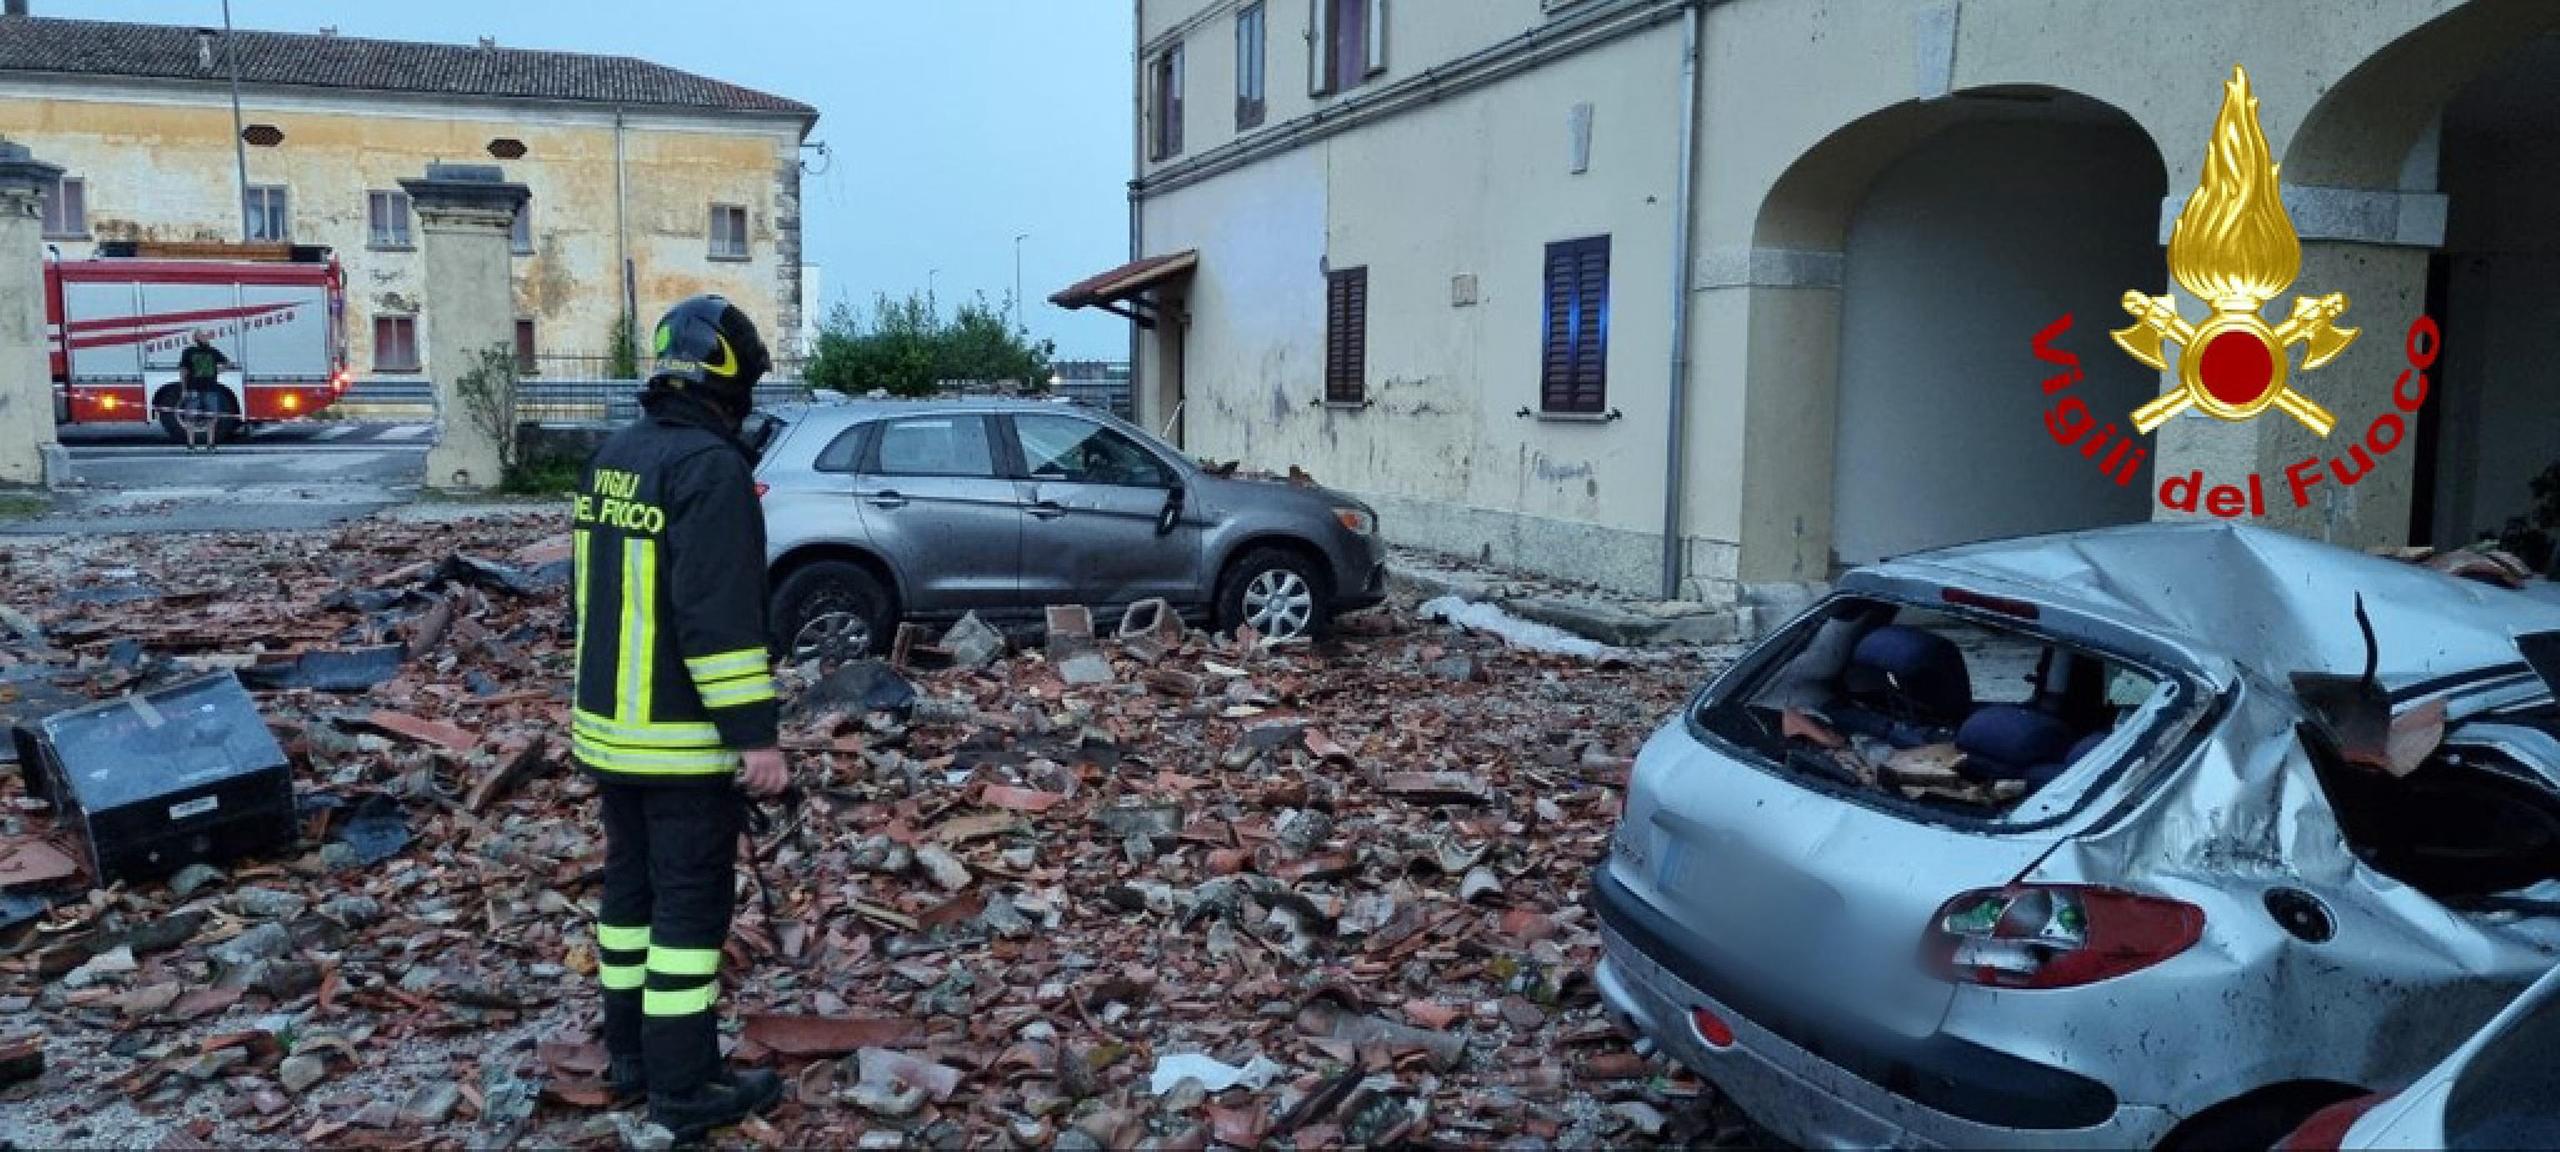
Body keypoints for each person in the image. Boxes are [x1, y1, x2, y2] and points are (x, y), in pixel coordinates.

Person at [570, 295, 786, 1141]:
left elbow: (591, 602)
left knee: (628, 900)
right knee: (689, 923)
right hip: (682, 744)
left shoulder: (615, 457)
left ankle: (628, 1056)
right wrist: (755, 738)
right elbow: (720, 618)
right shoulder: (710, 469)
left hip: (609, 736)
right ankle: (685, 1085)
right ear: (727, 379)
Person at [175, 330, 232, 451]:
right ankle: (191, 444)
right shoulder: (189, 352)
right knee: (190, 416)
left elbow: (228, 363)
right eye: (202, 335)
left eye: (205, 335)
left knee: (212, 416)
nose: (206, 337)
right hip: (193, 389)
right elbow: (183, 370)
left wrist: (218, 371)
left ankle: (210, 444)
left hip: (210, 388)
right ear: (196, 338)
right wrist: (184, 388)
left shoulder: (213, 352)